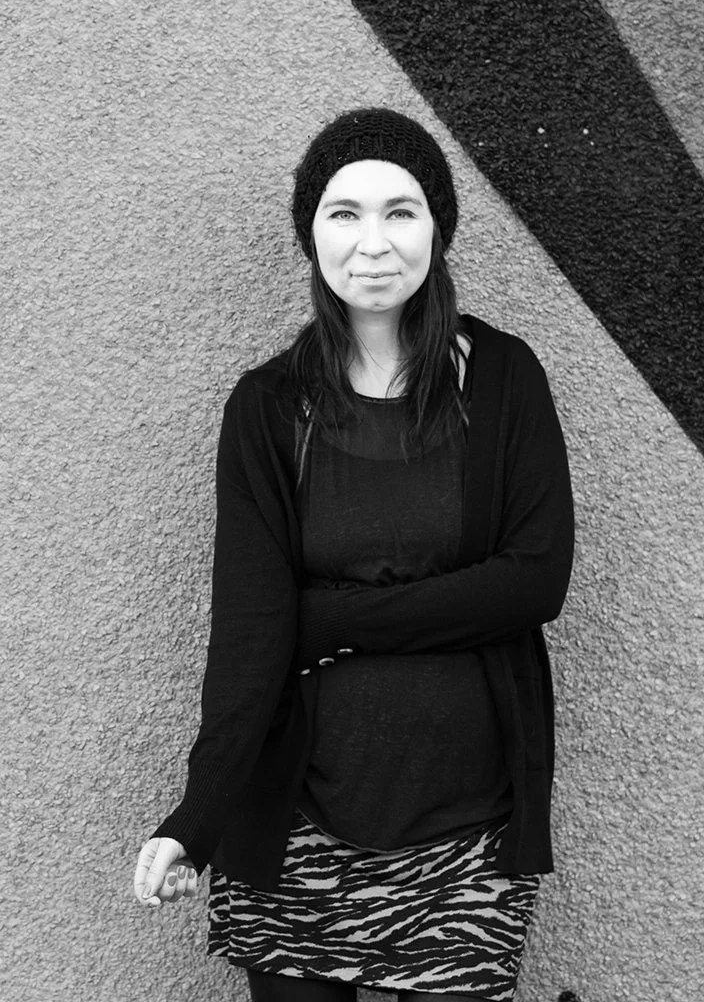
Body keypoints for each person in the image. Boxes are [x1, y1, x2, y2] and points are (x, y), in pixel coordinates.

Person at [132, 108, 575, 1002]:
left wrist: (329, 617)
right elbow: (253, 636)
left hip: (469, 835)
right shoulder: (267, 409)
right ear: (312, 234)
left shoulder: (503, 380)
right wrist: (197, 817)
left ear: (437, 228)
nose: (373, 242)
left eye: (400, 211)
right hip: (297, 831)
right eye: (344, 213)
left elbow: (534, 581)